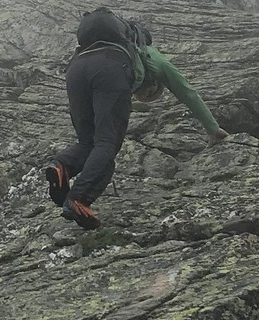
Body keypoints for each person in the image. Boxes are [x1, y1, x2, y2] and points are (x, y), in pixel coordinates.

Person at [45, 7, 230, 230]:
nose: (141, 97)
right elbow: (188, 92)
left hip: (75, 69)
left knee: (89, 142)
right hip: (109, 67)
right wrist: (213, 128)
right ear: (153, 84)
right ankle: (79, 198)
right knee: (107, 143)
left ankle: (62, 165)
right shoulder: (153, 57)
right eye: (149, 95)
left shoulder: (120, 46)